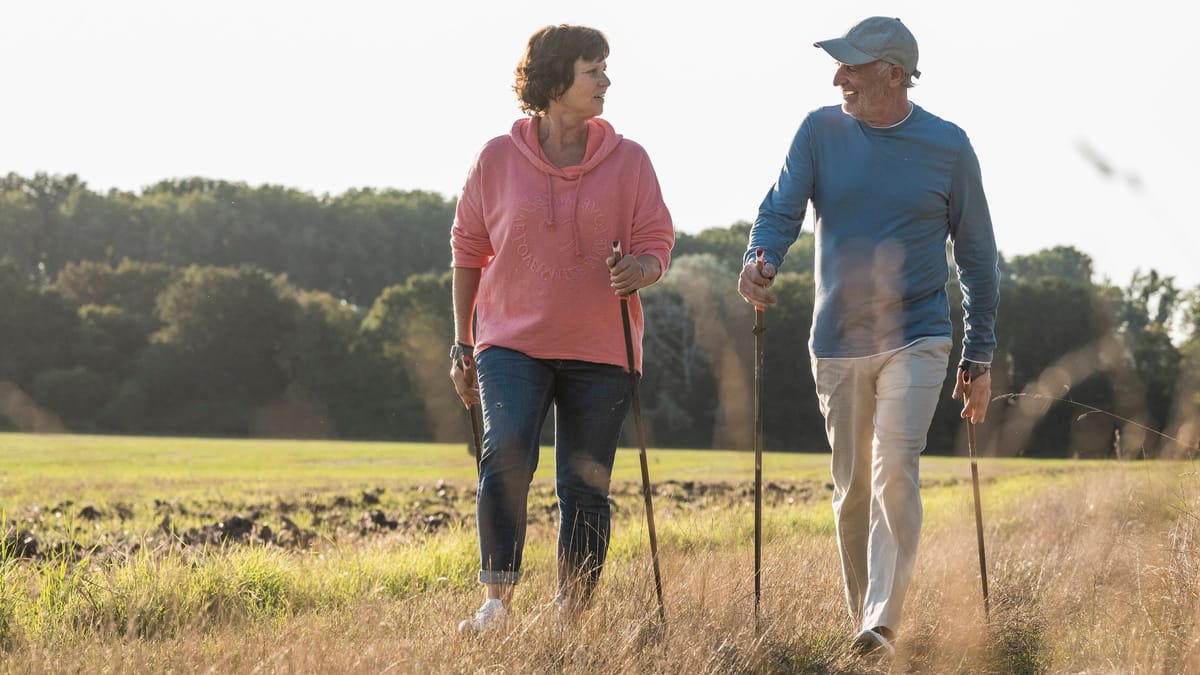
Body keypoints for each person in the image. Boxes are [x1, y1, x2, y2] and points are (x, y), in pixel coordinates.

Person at [737, 16, 999, 657]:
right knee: (852, 489)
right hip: (837, 340)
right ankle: (866, 624)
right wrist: (761, 256)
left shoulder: (948, 145)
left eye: (851, 68)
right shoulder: (818, 131)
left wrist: (980, 353)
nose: (838, 78)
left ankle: (882, 622)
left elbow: (978, 256)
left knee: (894, 468)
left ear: (892, 75)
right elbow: (780, 208)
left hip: (920, 334)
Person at [449, 24, 674, 634]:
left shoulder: (629, 160)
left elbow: (657, 241)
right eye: (592, 70)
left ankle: (572, 611)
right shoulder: (497, 157)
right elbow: (468, 249)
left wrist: (642, 268)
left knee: (585, 484)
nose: (605, 81)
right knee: (507, 454)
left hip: (603, 347)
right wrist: (463, 341)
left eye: (604, 69)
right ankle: (496, 601)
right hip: (510, 341)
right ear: (554, 81)